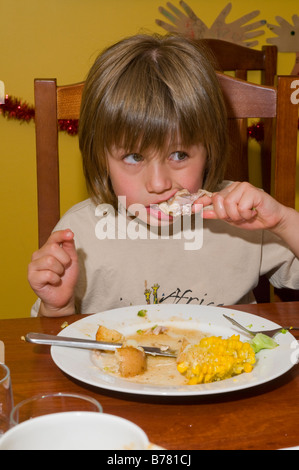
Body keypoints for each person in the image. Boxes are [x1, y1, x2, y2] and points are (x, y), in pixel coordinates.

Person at [28, 34, 299, 317]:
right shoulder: (79, 233)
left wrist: (283, 220)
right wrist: (58, 306)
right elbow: (51, 346)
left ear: (210, 149)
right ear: (100, 158)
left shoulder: (241, 216)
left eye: (179, 155)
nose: (159, 184)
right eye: (134, 157)